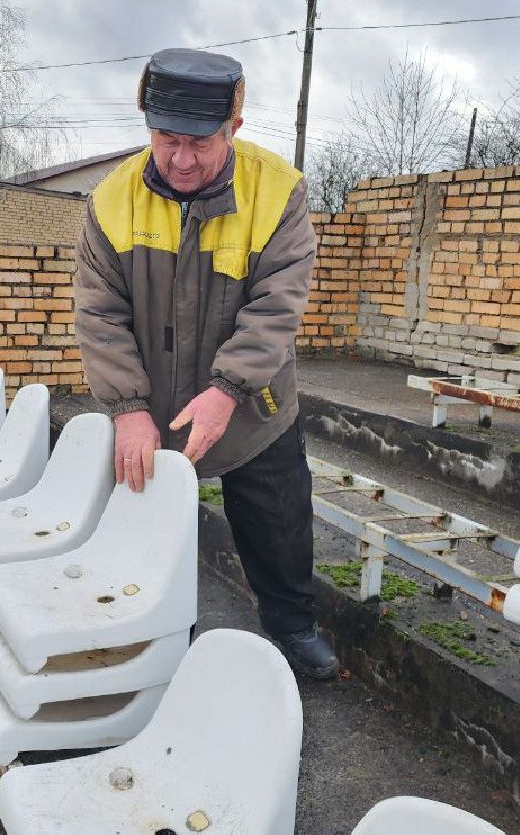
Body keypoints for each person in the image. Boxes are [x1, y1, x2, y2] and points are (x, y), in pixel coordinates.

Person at [73, 47, 340, 680]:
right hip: (154, 406)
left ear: (234, 130)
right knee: (145, 527)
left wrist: (227, 390)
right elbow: (100, 315)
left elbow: (277, 306)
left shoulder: (278, 192)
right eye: (167, 140)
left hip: (254, 408)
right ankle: (154, 638)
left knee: (278, 521)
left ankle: (292, 626)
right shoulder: (111, 201)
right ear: (148, 127)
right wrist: (129, 410)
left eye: (202, 143)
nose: (183, 159)